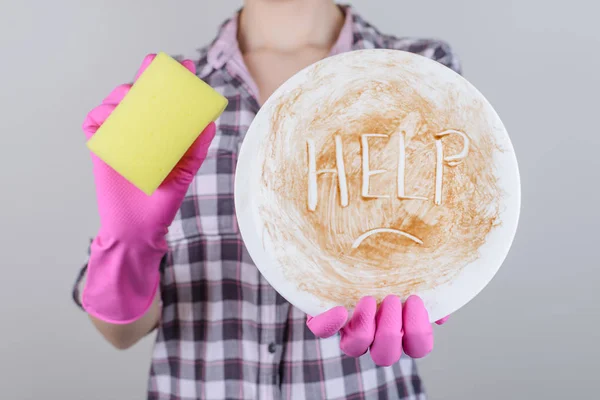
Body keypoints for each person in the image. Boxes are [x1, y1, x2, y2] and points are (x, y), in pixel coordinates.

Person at [72, 1, 462, 399]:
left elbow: (442, 244)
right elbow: (120, 335)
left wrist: (430, 281)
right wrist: (128, 241)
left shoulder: (417, 71)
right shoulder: (172, 91)